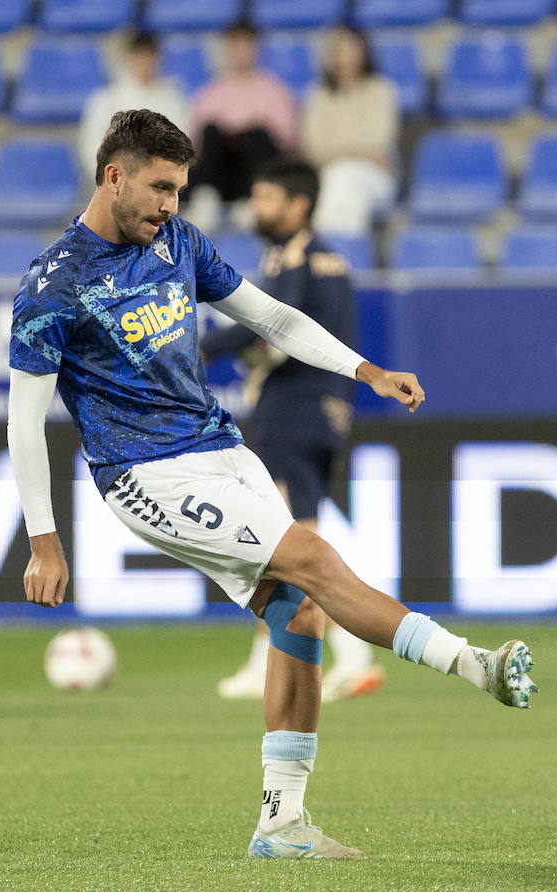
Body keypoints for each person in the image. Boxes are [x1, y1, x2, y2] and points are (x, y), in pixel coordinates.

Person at [7, 109, 537, 860]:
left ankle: (282, 824)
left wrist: (366, 370)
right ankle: (472, 664)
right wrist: (43, 540)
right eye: (159, 188)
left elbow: (273, 319)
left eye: (181, 190)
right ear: (114, 176)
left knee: (299, 613)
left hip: (222, 449)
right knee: (313, 559)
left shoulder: (180, 243)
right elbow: (24, 422)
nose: (171, 205)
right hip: (145, 471)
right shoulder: (54, 284)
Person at [201, 161, 383, 703]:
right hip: (323, 413)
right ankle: (280, 657)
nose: (257, 206)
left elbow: (274, 322)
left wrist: (201, 350)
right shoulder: (328, 258)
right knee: (291, 540)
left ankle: (352, 655)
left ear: (298, 205)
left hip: (292, 412)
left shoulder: (296, 256)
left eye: (266, 196)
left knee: (284, 545)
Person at [300, 27, 400, 238]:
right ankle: (344, 258)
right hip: (327, 178)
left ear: (363, 54)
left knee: (342, 178)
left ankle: (322, 252)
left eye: (350, 50)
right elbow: (313, 147)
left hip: (376, 177)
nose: (344, 58)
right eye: (339, 50)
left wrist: (335, 151)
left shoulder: (381, 91)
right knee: (345, 190)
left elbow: (378, 143)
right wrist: (357, 150)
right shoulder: (318, 95)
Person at [187, 20, 298, 207]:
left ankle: (252, 200)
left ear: (256, 48)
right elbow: (196, 142)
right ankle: (207, 198)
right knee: (211, 131)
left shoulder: (274, 90)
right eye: (235, 45)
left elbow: (287, 141)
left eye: (246, 45)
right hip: (221, 168)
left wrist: (250, 128)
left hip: (256, 165)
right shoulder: (211, 92)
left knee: (258, 136)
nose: (241, 52)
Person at [77, 31, 187, 175]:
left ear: (159, 58)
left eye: (148, 56)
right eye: (138, 55)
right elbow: (91, 148)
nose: (143, 62)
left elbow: (180, 146)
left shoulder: (173, 99)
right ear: (128, 58)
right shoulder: (106, 99)